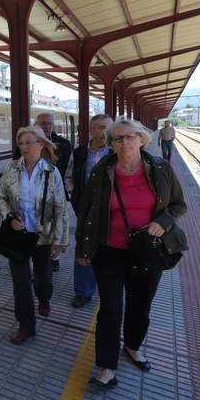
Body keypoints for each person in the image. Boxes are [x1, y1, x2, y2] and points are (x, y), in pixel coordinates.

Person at [75, 118, 186, 388]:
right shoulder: (102, 170)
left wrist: (164, 221)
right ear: (111, 144)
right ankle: (106, 366)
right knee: (110, 309)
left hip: (147, 250)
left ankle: (133, 346)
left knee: (140, 305)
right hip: (110, 250)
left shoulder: (160, 168)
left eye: (130, 137)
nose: (124, 142)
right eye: (118, 138)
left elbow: (178, 204)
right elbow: (87, 212)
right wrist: (83, 249)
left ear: (142, 139)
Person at [0, 125, 69, 345]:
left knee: (43, 277)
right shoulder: (11, 168)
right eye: (21, 143)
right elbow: (1, 198)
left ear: (41, 144)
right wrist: (9, 218)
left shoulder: (51, 172)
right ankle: (26, 326)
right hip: (17, 235)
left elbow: (60, 207)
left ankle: (44, 298)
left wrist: (60, 239)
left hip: (42, 235)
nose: (25, 147)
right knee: (20, 282)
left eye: (29, 142)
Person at [66, 114, 113, 308]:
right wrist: (76, 201)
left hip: (111, 211)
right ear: (91, 130)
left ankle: (108, 289)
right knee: (83, 248)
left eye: (109, 128)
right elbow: (69, 177)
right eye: (101, 127)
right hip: (84, 210)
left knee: (108, 250)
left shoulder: (116, 152)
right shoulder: (79, 153)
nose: (105, 132)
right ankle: (83, 292)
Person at [35, 112, 72, 272]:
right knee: (36, 225)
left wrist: (68, 189)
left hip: (57, 191)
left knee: (57, 225)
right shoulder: (30, 142)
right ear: (37, 124)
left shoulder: (63, 143)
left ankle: (54, 258)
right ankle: (37, 257)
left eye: (49, 123)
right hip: (34, 192)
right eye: (43, 123)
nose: (47, 126)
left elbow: (69, 169)